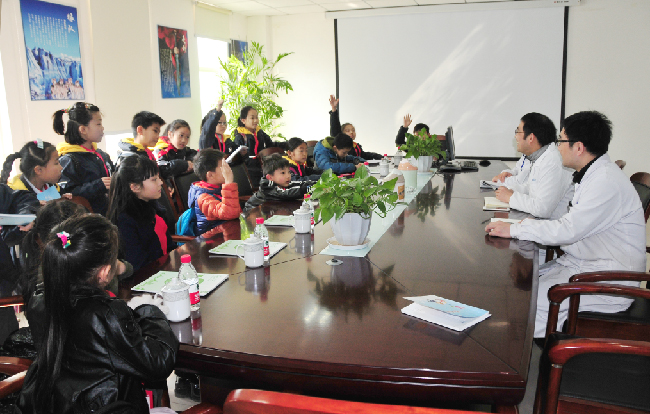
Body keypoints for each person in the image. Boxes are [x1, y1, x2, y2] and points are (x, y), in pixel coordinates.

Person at [485, 111, 646, 338]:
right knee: (519, 290)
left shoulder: (604, 182)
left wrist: (515, 228)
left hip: (607, 282)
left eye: (561, 141)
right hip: (585, 266)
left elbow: (567, 230)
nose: (556, 147)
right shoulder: (593, 174)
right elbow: (569, 225)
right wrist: (523, 226)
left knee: (526, 303)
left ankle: (531, 354)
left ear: (578, 147)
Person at [16, 214, 178, 413]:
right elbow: (158, 363)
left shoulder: (38, 300)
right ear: (104, 273)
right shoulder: (104, 314)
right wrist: (151, 311)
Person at [19, 199, 133, 303]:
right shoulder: (85, 269)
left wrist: (120, 267)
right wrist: (118, 267)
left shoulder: (54, 264)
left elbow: (127, 269)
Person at [492, 113, 574, 219]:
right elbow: (531, 188)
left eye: (518, 132)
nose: (515, 136)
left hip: (550, 223)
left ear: (531, 137)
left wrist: (511, 197)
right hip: (537, 220)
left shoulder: (553, 162)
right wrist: (510, 190)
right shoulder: (540, 157)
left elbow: (542, 209)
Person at [107, 156, 175, 272]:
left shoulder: (153, 207)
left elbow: (169, 247)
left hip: (165, 268)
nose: (160, 182)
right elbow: (138, 265)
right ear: (135, 187)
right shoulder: (124, 220)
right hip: (147, 276)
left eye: (158, 177)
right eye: (154, 179)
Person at [54, 102, 115, 215]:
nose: (102, 128)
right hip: (88, 218)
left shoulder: (101, 154)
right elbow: (67, 194)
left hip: (109, 214)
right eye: (98, 124)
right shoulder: (68, 160)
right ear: (83, 129)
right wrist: (98, 185)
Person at [188, 149, 241, 235]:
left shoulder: (218, 187)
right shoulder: (203, 198)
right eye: (223, 167)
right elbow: (230, 214)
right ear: (210, 175)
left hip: (226, 232)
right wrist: (228, 182)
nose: (228, 169)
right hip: (213, 240)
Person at [233, 106, 286, 186]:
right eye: (252, 118)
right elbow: (238, 157)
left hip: (262, 167)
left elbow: (270, 144)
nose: (256, 120)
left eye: (257, 117)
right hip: (250, 171)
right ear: (243, 120)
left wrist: (287, 145)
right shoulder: (240, 136)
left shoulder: (260, 132)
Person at [244, 154, 314, 212]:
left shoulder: (282, 183)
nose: (288, 176)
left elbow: (297, 184)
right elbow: (285, 194)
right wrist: (306, 189)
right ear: (270, 177)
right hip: (252, 214)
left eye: (289, 172)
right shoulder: (266, 187)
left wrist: (314, 184)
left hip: (270, 212)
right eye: (283, 173)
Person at [328, 95, 380, 160]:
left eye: (353, 130)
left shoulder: (356, 146)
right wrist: (334, 110)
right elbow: (335, 129)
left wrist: (380, 157)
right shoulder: (341, 147)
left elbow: (365, 155)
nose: (351, 132)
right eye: (347, 131)